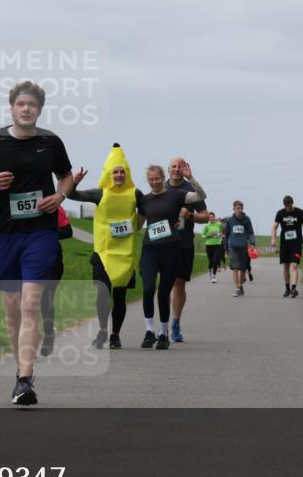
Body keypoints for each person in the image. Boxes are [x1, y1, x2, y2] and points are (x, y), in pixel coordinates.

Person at [0, 80, 73, 405]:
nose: (26, 109)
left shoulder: (50, 142)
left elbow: (66, 176)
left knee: (30, 304)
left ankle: (26, 380)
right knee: (12, 308)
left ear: (39, 109)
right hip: (3, 234)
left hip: (40, 233)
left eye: (32, 105)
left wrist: (60, 196)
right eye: (21, 104)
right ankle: (20, 371)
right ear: (12, 108)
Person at [66, 144, 145, 350]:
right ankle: (102, 331)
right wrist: (75, 182)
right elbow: (72, 195)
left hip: (124, 255)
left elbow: (149, 208)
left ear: (127, 173)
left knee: (119, 297)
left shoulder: (135, 194)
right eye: (115, 172)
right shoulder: (100, 193)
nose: (118, 175)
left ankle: (115, 335)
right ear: (109, 174)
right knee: (102, 295)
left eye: (122, 172)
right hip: (103, 253)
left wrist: (140, 224)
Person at [138, 165, 201, 350]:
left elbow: (201, 196)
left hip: (171, 250)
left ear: (162, 177)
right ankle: (149, 332)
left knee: (163, 293)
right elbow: (137, 224)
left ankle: (163, 334)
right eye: (151, 179)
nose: (154, 182)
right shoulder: (145, 200)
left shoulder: (176, 195)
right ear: (147, 180)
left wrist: (191, 178)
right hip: (150, 250)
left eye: (157, 178)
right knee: (148, 289)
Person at [166, 157, 208, 342]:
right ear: (169, 169)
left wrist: (190, 215)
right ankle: (163, 324)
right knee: (165, 284)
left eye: (180, 166)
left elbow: (205, 217)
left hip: (184, 243)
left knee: (179, 284)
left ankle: (175, 323)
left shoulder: (191, 190)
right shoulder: (161, 188)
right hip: (163, 243)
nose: (177, 169)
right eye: (174, 166)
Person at [39, 206, 73, 356]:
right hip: (26, 257)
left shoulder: (53, 206)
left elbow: (67, 231)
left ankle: (48, 334)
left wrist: (43, 236)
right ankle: (28, 342)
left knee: (45, 298)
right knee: (28, 300)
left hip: (51, 258)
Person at [271, 195, 303, 298]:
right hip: (285, 244)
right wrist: (273, 239)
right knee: (286, 266)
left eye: (290, 206)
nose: (288, 208)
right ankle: (287, 289)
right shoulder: (280, 213)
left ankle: (293, 289)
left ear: (292, 203)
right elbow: (274, 227)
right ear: (284, 205)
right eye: (286, 206)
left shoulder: (300, 212)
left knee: (294, 265)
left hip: (296, 243)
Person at [223, 200, 256, 297]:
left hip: (243, 247)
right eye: (238, 208)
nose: (240, 210)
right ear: (234, 209)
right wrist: (226, 248)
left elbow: (250, 232)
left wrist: (252, 243)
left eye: (241, 208)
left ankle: (240, 285)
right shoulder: (230, 220)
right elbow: (226, 235)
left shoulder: (247, 219)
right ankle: (237, 288)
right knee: (235, 267)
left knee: (243, 269)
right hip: (233, 246)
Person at [202, 212, 224, 283]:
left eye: (212, 217)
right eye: (209, 217)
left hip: (217, 244)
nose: (211, 218)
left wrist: (220, 235)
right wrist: (208, 235)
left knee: (215, 260)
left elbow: (222, 233)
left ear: (214, 217)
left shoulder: (219, 225)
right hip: (209, 245)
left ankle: (214, 276)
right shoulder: (207, 226)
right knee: (210, 261)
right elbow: (203, 235)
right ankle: (210, 271)